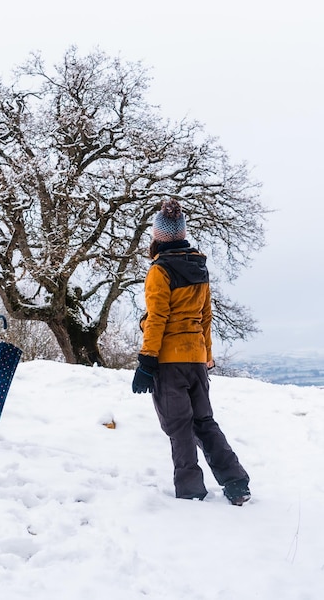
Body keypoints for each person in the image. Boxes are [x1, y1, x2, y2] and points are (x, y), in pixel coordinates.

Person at [132, 198, 251, 506]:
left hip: (169, 362)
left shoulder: (160, 271)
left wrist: (147, 361)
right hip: (195, 357)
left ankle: (190, 493)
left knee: (179, 427)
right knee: (204, 421)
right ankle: (236, 482)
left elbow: (157, 317)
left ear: (157, 236)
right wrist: (206, 355)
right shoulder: (199, 267)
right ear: (182, 234)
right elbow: (205, 316)